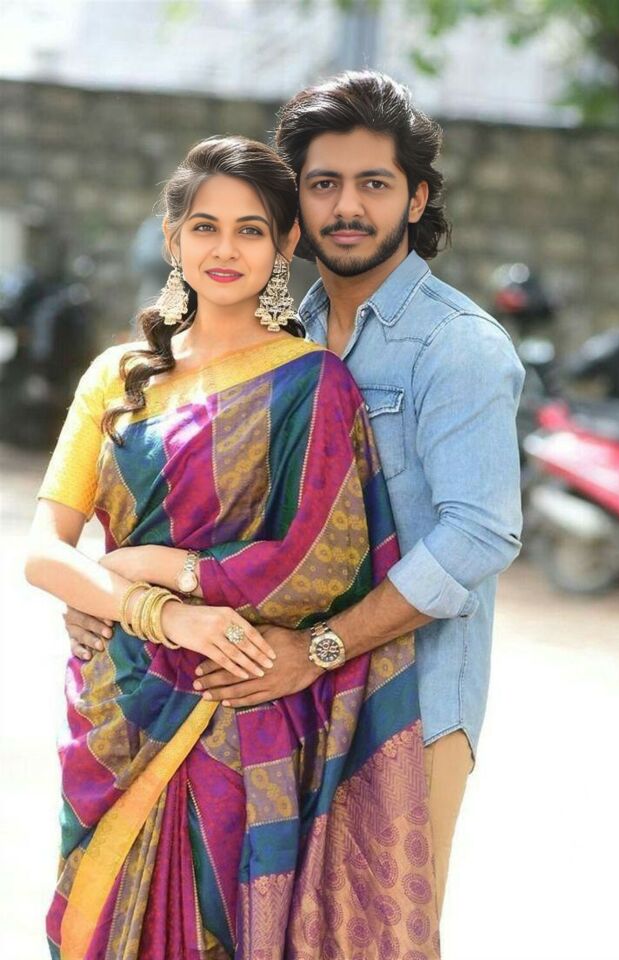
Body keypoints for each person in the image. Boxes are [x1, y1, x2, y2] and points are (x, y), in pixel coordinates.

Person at [27, 136, 440, 958]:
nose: (225, 249)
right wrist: (163, 614)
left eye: (251, 230)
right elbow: (45, 552)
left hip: (239, 703)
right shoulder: (116, 375)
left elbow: (323, 560)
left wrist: (159, 568)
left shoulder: (312, 382)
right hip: (120, 699)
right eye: (205, 227)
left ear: (286, 244)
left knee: (216, 925)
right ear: (172, 237)